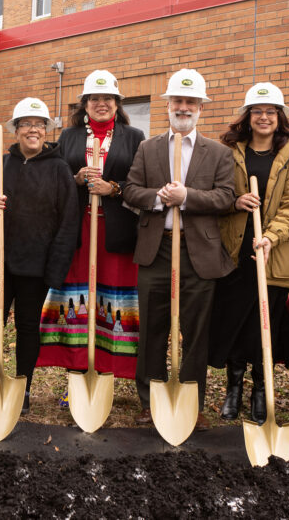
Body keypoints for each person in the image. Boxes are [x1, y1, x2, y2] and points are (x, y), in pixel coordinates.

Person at [123, 68, 236, 430]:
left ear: (201, 107)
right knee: (152, 329)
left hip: (197, 252)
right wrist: (158, 197)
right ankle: (149, 401)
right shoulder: (148, 147)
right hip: (156, 250)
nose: (183, 107)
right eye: (178, 101)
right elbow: (129, 190)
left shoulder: (218, 153)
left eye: (191, 102)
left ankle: (191, 403)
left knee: (196, 331)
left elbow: (226, 197)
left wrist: (187, 197)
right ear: (168, 104)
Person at [37, 69, 145, 401]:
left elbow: (143, 182)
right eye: (94, 98)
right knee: (78, 301)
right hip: (78, 233)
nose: (101, 104)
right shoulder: (68, 138)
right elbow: (52, 180)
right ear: (84, 103)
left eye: (107, 98)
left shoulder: (134, 137)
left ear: (117, 103)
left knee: (112, 304)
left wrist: (114, 188)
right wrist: (75, 178)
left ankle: (108, 377)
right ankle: (78, 377)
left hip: (116, 235)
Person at [208, 83, 289, 423]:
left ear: (279, 118)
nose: (264, 117)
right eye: (257, 111)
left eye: (270, 112)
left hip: (272, 253)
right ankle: (233, 390)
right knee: (235, 324)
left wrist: (270, 237)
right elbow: (214, 195)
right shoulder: (228, 151)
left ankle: (260, 391)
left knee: (265, 325)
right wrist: (235, 202)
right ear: (247, 117)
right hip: (234, 252)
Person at [0, 98, 79, 413]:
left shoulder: (59, 168)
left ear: (46, 131)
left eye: (39, 124)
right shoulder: (0, 164)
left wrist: (56, 269)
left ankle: (23, 387)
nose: (32, 129)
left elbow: (69, 222)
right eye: (26, 124)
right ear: (16, 130)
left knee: (28, 328)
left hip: (36, 266)